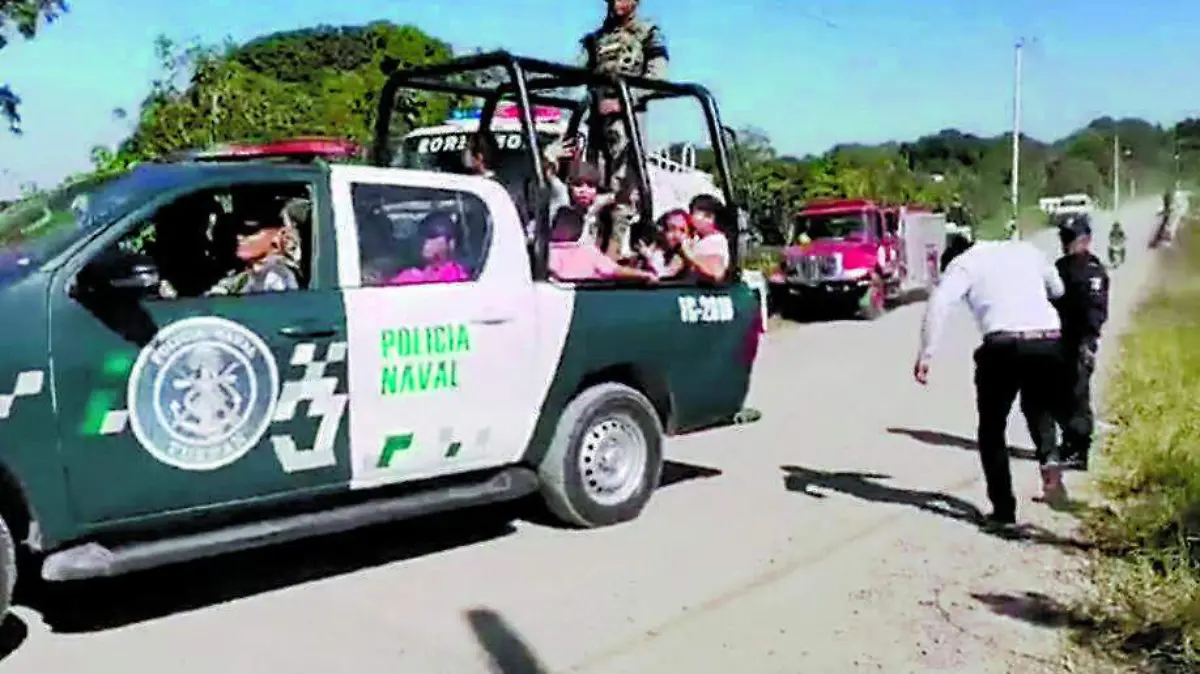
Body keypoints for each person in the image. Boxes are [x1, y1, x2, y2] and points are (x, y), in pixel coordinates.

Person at [914, 236, 1069, 527]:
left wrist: (926, 354)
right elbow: (1057, 288)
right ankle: (1050, 465)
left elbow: (939, 303)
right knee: (1039, 409)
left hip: (1003, 345)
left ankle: (1004, 511)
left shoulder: (964, 264)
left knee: (992, 429)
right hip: (1048, 339)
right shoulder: (1026, 249)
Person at [580, 0, 669, 260]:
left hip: (628, 116)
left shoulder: (648, 32)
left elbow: (658, 77)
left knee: (624, 182)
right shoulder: (596, 38)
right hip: (597, 117)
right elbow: (582, 75)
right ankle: (592, 240)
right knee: (594, 178)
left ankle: (615, 247)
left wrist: (624, 101)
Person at [1053, 214, 1110, 471]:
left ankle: (1079, 449)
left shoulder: (1092, 270)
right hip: (1058, 340)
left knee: (1077, 394)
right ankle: (1068, 443)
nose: (1066, 243)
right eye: (1064, 238)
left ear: (1086, 239)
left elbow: (1096, 308)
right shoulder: (1059, 266)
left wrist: (1089, 340)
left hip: (1080, 340)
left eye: (1071, 238)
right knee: (1059, 395)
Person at [206, 199, 303, 295]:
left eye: (249, 231)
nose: (239, 236)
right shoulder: (245, 276)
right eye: (237, 229)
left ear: (277, 239)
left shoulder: (276, 278)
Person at [548, 207, 656, 281]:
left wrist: (643, 275)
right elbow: (615, 271)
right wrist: (644, 275)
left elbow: (615, 270)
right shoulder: (547, 253)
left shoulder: (588, 252)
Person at [388, 212, 470, 286]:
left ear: (450, 243)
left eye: (431, 235)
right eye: (421, 235)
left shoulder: (457, 277)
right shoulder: (410, 275)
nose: (423, 241)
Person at [681, 194, 730, 282]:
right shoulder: (697, 239)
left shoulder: (716, 240)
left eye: (708, 216)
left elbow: (717, 272)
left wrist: (689, 253)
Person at [636, 208, 690, 278]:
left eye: (682, 230)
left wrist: (649, 258)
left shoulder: (680, 256)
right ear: (662, 231)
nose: (677, 235)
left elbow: (664, 276)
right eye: (672, 229)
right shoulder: (656, 249)